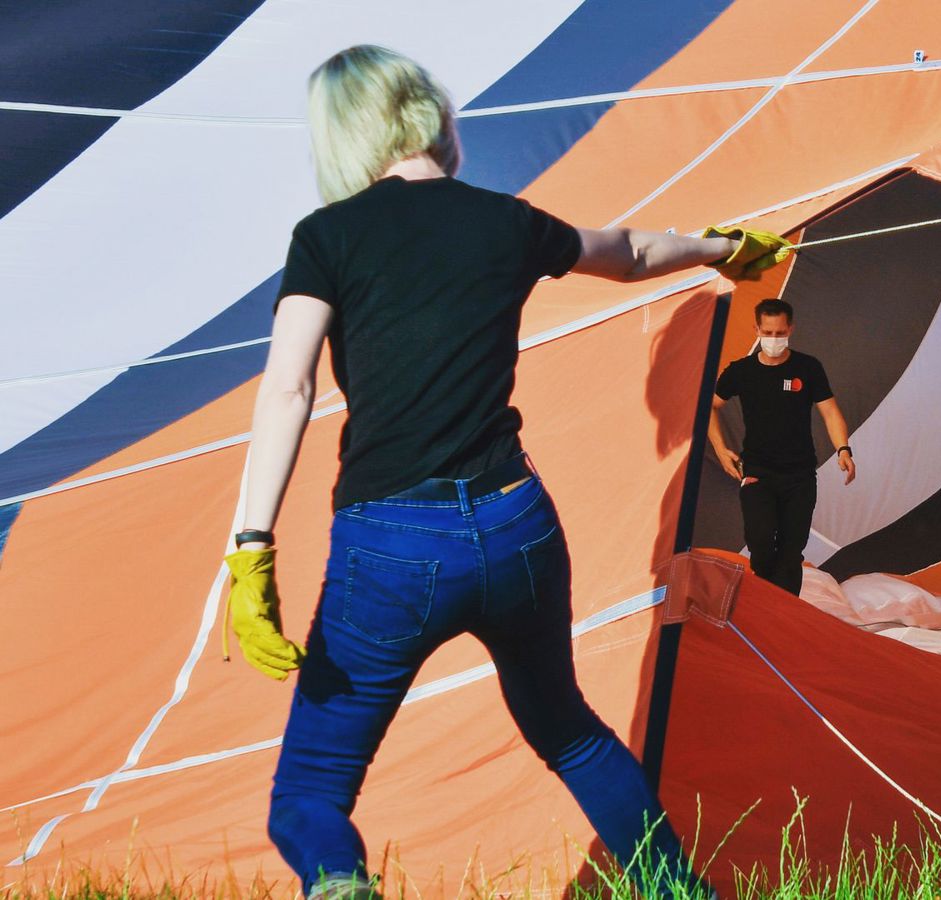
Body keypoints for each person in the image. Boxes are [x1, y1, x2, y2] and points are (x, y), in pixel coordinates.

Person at [220, 45, 787, 899]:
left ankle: (341, 886)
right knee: (570, 733)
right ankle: (677, 892)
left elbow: (289, 385)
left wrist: (252, 546)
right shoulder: (503, 219)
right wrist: (721, 248)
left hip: (393, 546)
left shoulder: (327, 237)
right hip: (516, 523)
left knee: (309, 795)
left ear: (342, 141)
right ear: (431, 117)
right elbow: (629, 252)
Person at [706, 298, 855, 595]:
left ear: (790, 329)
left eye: (779, 333)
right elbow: (708, 407)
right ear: (757, 329)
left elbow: (830, 411)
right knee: (760, 542)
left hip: (799, 476)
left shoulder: (808, 368)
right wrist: (721, 450)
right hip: (758, 472)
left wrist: (843, 449)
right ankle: (768, 607)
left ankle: (783, 619)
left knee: (790, 552)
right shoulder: (741, 371)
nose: (773, 340)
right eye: (768, 333)